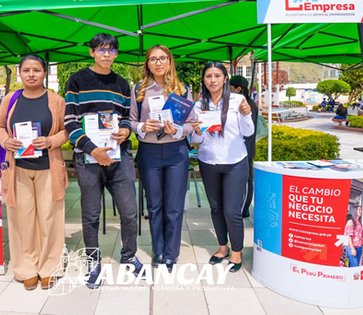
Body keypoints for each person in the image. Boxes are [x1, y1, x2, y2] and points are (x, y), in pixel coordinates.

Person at [64, 33, 143, 288]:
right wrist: (92, 149)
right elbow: (70, 122)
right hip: (89, 159)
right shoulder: (76, 81)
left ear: (117, 54)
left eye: (111, 50)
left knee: (130, 212)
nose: (106, 54)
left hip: (119, 157)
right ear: (91, 52)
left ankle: (129, 256)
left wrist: (125, 130)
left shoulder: (122, 84)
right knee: (91, 215)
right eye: (101, 50)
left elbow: (126, 117)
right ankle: (93, 261)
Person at [0, 55, 69, 291]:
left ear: (44, 73)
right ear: (19, 73)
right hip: (19, 170)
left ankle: (49, 268)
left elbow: (68, 131)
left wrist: (50, 140)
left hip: (49, 168)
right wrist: (6, 141)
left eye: (36, 70)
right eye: (26, 70)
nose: (31, 74)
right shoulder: (10, 99)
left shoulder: (56, 100)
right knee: (22, 220)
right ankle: (26, 268)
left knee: (50, 219)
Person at [130, 44, 196, 272]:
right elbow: (130, 121)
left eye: (162, 58)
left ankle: (171, 253)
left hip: (176, 152)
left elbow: (191, 124)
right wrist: (141, 126)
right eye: (153, 59)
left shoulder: (181, 89)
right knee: (155, 205)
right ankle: (158, 250)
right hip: (149, 152)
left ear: (170, 61)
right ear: (147, 63)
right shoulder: (139, 89)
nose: (158, 62)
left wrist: (177, 130)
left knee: (174, 207)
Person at [191, 62, 254, 273]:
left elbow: (248, 131)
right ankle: (222, 247)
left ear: (225, 78)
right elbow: (195, 139)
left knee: (231, 211)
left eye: (217, 75)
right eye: (208, 76)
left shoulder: (238, 101)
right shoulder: (199, 106)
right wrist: (197, 129)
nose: (213, 80)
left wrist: (246, 114)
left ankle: (237, 251)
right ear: (204, 80)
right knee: (216, 208)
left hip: (235, 162)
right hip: (208, 162)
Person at [229, 75, 258, 218]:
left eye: (230, 88)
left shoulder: (247, 105)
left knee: (246, 180)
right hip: (243, 149)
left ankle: (244, 209)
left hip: (245, 149)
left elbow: (246, 130)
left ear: (238, 89)